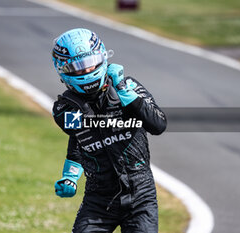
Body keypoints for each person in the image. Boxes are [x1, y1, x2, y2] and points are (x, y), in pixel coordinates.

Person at [52, 28, 167, 233]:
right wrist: (70, 176)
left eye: (90, 64)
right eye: (77, 67)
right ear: (63, 69)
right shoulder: (64, 108)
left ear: (103, 56)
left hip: (141, 195)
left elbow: (158, 125)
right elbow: (81, 138)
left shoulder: (130, 86)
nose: (86, 71)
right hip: (99, 200)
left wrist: (125, 94)